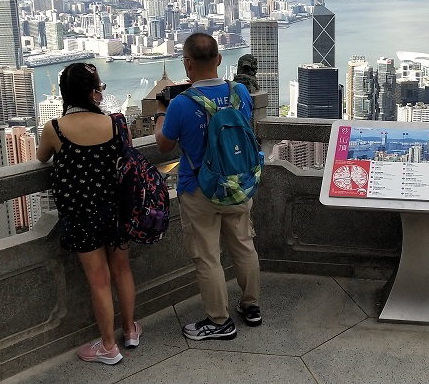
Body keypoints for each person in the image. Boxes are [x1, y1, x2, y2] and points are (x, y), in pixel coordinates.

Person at [155, 33, 262, 340]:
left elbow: (164, 146)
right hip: (238, 184)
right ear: (218, 60)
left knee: (207, 256)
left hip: (199, 189)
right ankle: (251, 307)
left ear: (187, 64)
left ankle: (219, 322)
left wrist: (161, 114)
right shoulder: (240, 91)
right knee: (244, 246)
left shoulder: (181, 104)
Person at [37, 62, 141, 364]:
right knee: (122, 268)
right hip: (117, 210)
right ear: (95, 93)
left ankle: (108, 346)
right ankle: (130, 330)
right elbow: (128, 157)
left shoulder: (54, 128)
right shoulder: (118, 123)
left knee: (98, 279)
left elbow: (42, 157)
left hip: (82, 215)